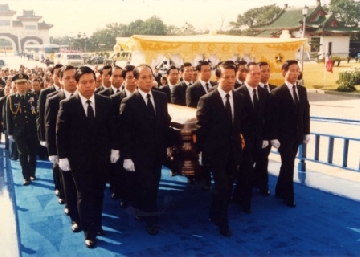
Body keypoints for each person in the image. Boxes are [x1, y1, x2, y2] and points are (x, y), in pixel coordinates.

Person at [56, 66, 119, 248]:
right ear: (77, 83)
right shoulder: (67, 105)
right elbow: (61, 133)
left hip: (100, 158)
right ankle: (89, 232)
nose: (88, 85)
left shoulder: (105, 102)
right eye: (84, 82)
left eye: (91, 81)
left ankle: (97, 225)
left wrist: (115, 149)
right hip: (78, 160)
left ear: (95, 81)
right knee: (84, 194)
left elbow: (112, 128)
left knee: (98, 193)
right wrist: (63, 157)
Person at [120, 64, 172, 236]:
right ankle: (151, 220)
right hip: (138, 155)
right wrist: (127, 157)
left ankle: (144, 210)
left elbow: (165, 124)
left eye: (150, 76)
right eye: (143, 77)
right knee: (145, 186)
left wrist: (169, 146)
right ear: (135, 80)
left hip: (157, 153)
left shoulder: (161, 97)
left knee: (153, 185)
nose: (148, 80)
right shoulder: (129, 102)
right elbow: (124, 133)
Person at [196, 61, 244, 236]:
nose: (231, 81)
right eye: (226, 77)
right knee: (222, 187)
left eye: (233, 77)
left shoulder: (239, 98)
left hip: (233, 152)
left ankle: (214, 213)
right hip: (215, 153)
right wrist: (200, 152)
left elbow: (238, 125)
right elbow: (201, 129)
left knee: (227, 187)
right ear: (218, 78)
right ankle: (223, 223)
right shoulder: (207, 100)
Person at [268, 60, 310, 208]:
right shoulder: (277, 93)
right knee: (289, 165)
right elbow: (273, 118)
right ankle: (288, 197)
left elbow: (305, 112)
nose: (294, 73)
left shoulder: (302, 90)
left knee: (287, 164)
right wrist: (273, 137)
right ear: (284, 72)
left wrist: (306, 132)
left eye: (297, 70)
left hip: (297, 135)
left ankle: (279, 189)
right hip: (283, 137)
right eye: (291, 70)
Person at [45, 65, 79, 229]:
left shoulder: (86, 97)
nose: (71, 81)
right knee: (68, 184)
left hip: (84, 151)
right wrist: (52, 152)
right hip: (63, 151)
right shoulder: (53, 99)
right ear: (60, 79)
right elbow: (50, 127)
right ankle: (74, 215)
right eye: (67, 78)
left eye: (74, 77)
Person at [232, 62, 269, 213]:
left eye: (258, 74)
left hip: (260, 140)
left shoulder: (264, 93)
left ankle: (237, 195)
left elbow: (268, 118)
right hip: (244, 141)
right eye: (253, 74)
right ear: (245, 74)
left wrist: (267, 137)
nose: (256, 77)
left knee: (256, 169)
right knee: (246, 171)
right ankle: (245, 203)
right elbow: (236, 121)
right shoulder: (238, 93)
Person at [6, 73, 38, 185]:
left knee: (32, 153)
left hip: (32, 130)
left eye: (23, 83)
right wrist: (10, 133)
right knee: (23, 154)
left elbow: (37, 115)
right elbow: (8, 117)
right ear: (15, 85)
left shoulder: (33, 97)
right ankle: (26, 176)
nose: (22, 86)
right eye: (19, 83)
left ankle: (32, 173)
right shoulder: (11, 98)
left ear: (27, 83)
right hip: (18, 132)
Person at [253, 61, 277, 195]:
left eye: (268, 71)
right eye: (263, 71)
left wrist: (272, 135)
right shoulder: (250, 91)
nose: (266, 74)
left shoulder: (274, 90)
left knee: (263, 160)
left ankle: (263, 185)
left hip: (269, 133)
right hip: (255, 134)